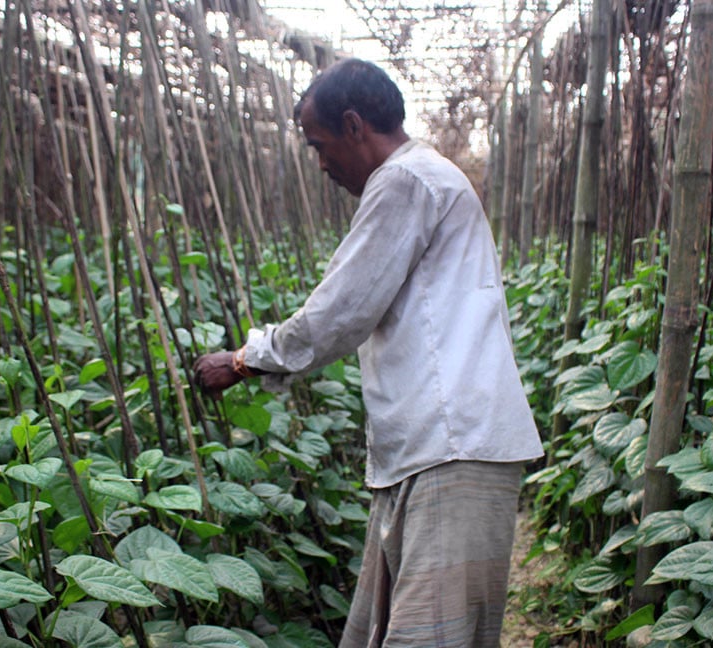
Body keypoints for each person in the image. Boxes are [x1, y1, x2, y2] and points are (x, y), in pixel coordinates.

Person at [193, 58, 544, 648]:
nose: (321, 163)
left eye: (320, 144)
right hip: (436, 448)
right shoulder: (427, 177)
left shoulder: (406, 180)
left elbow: (342, 310)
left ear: (354, 125)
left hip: (451, 445)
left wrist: (243, 359)